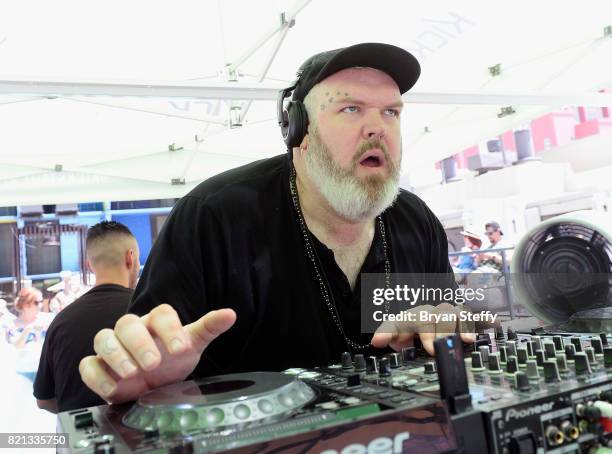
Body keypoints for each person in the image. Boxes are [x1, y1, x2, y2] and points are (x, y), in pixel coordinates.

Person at [79, 43, 474, 405]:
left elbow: (439, 322)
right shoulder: (213, 217)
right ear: (298, 129)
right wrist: (151, 381)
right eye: (351, 109)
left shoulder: (415, 221)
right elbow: (153, 355)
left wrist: (440, 326)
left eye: (391, 111)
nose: (378, 128)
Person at [34, 221, 140, 413]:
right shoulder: (148, 308)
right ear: (130, 258)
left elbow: (44, 400)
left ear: (89, 265)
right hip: (142, 436)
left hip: (78, 439)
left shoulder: (61, 322)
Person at [6, 287, 53, 382]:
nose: (40, 305)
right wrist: (28, 329)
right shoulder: (11, 324)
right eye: (36, 302)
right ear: (26, 304)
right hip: (23, 374)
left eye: (41, 301)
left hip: (46, 370)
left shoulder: (47, 319)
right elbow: (15, 347)